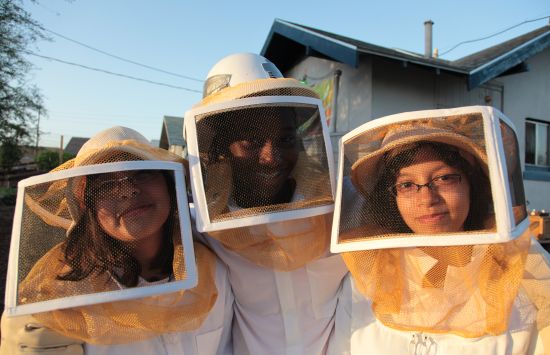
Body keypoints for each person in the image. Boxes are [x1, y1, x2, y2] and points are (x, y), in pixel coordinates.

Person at [328, 107, 550, 354]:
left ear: (472, 184)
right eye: (407, 184)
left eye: (444, 178)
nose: (427, 199)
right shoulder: (368, 274)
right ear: (392, 198)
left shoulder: (520, 271)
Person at [1, 126, 233, 355]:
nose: (127, 191)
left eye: (142, 173)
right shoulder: (60, 292)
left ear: (168, 183)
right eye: (105, 183)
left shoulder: (214, 269)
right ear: (87, 204)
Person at [185, 53, 348, 354]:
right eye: (251, 142)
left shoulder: (340, 215)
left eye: (285, 140)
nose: (271, 157)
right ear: (220, 148)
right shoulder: (202, 234)